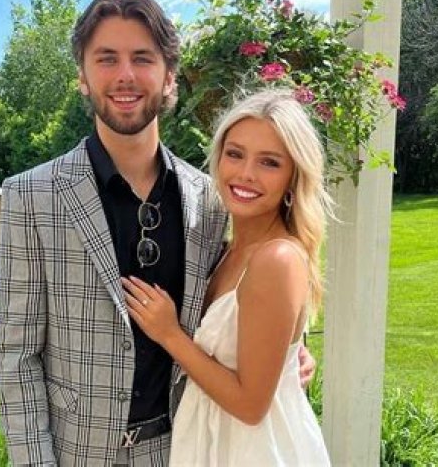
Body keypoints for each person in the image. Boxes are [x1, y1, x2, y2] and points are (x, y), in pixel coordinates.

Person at [0, 0, 316, 465]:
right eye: (107, 58)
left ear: (168, 78)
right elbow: (16, 359)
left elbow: (256, 285)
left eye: (142, 58)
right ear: (82, 75)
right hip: (78, 454)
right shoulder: (31, 197)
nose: (125, 75)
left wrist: (291, 352)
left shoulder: (211, 199)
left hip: (186, 449)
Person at [123, 89, 332, 466]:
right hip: (215, 441)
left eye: (269, 162)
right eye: (235, 154)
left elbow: (251, 406)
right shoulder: (226, 249)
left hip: (257, 450)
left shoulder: (276, 259)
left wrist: (170, 334)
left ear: (293, 177)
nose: (246, 173)